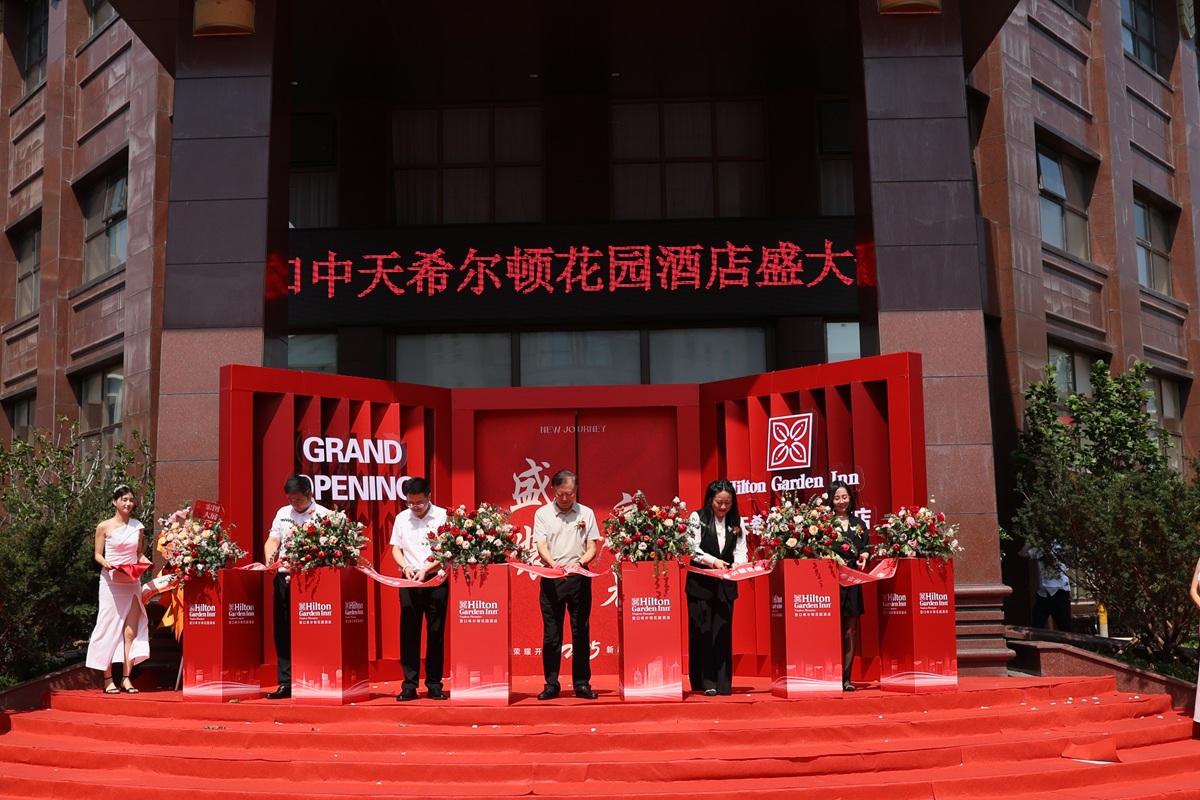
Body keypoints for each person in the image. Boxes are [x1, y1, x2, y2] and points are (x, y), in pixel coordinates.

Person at [533, 469, 601, 700]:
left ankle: (582, 683)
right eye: (561, 493)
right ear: (553, 490)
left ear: (576, 491)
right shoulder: (542, 514)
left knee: (580, 630)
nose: (565, 498)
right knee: (552, 633)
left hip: (579, 578)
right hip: (552, 578)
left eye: (570, 494)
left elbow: (592, 546)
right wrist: (554, 565)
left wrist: (579, 564)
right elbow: (541, 545)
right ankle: (551, 684)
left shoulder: (586, 513)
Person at [262, 475, 329, 699]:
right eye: (290, 500)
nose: (294, 504)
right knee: (283, 630)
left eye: (299, 500)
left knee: (313, 630)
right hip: (284, 577)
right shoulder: (283, 513)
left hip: (312, 581)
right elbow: (273, 540)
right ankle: (286, 681)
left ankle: (315, 678)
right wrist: (270, 559)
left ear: (311, 495)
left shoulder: (324, 515)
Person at [85, 485, 152, 693]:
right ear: (115, 501)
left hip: (131, 581)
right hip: (111, 582)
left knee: (130, 632)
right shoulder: (103, 526)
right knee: (108, 629)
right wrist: (105, 562)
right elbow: (97, 554)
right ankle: (107, 680)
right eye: (124, 499)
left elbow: (138, 553)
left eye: (131, 500)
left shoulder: (138, 526)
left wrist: (145, 562)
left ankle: (126, 678)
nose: (128, 503)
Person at [685, 479, 748, 696]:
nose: (723, 507)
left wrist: (738, 564)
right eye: (719, 502)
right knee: (702, 631)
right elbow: (692, 549)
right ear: (710, 500)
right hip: (701, 583)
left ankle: (723, 683)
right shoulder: (698, 518)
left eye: (727, 503)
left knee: (722, 632)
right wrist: (713, 562)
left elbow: (741, 549)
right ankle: (706, 681)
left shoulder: (737, 521)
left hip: (725, 583)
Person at [389, 477, 449, 701]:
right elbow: (396, 548)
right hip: (409, 580)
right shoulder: (402, 518)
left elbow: (448, 550)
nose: (415, 507)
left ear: (429, 497)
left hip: (436, 580)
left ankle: (434, 683)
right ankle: (409, 685)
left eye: (419, 502)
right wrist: (406, 567)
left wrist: (426, 569)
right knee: (409, 633)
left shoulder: (443, 516)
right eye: (410, 502)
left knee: (435, 633)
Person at [829, 480, 870, 692]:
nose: (841, 501)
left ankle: (846, 678)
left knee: (850, 631)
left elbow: (866, 546)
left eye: (844, 497)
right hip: (831, 579)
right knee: (829, 628)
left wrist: (864, 555)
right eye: (837, 498)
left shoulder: (859, 523)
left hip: (852, 579)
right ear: (831, 500)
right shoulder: (824, 524)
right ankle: (829, 675)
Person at [1019, 540, 1073, 632]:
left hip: (1059, 592)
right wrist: (1031, 541)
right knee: (1036, 626)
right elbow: (1022, 553)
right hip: (1043, 594)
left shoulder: (1060, 546)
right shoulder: (1039, 548)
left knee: (1066, 628)